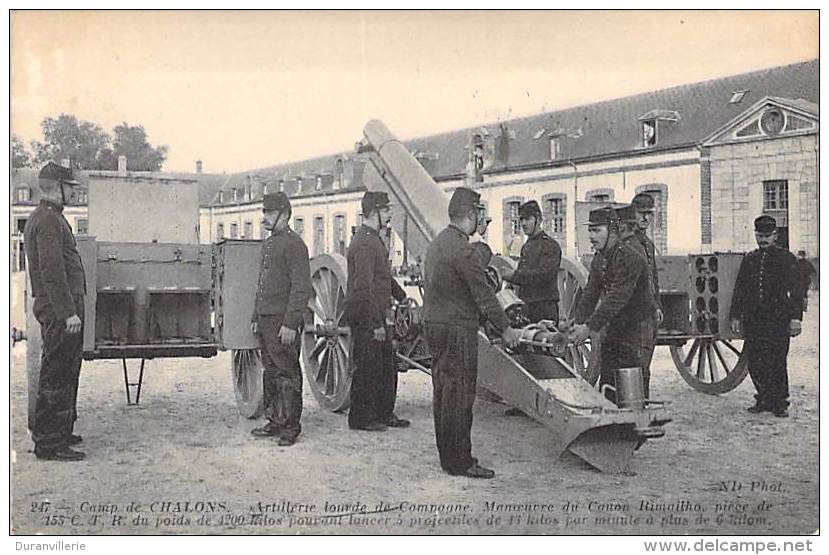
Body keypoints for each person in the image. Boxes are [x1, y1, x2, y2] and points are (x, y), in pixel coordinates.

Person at [423, 187, 522, 479]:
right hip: (457, 330)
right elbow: (483, 294)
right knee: (461, 394)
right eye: (479, 214)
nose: (481, 219)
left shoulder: (437, 243)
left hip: (434, 325)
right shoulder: (464, 249)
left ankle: (447, 457)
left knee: (443, 390)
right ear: (470, 215)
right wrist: (505, 329)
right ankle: (461, 461)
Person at [24, 162, 87, 461]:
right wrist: (67, 312)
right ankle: (50, 443)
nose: (74, 193)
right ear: (56, 187)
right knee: (57, 373)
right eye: (70, 187)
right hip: (60, 310)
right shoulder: (48, 221)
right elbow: (52, 272)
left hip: (62, 308)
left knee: (65, 370)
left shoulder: (50, 218)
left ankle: (59, 432)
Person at [571, 206, 655, 405]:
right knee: (609, 379)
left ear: (613, 231)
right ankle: (612, 425)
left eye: (597, 230)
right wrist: (577, 323)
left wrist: (589, 327)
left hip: (637, 328)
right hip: (615, 325)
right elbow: (590, 293)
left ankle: (636, 433)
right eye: (590, 230)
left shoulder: (631, 258)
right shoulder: (600, 258)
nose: (591, 236)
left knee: (633, 383)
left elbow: (617, 297)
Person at [343, 191, 410, 432]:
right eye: (386, 210)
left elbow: (383, 277)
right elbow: (363, 288)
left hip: (378, 312)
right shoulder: (363, 243)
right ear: (374, 212)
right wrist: (375, 324)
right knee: (368, 366)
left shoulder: (373, 240)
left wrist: (401, 296)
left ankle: (384, 413)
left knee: (386, 365)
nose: (389, 214)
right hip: (366, 315)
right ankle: (361, 418)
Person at [250, 192, 312, 446]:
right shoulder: (269, 244)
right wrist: (256, 314)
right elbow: (261, 284)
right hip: (266, 320)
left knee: (287, 372)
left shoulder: (295, 245)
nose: (264, 217)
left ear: (284, 215)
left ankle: (290, 426)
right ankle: (275, 419)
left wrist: (290, 323)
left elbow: (301, 287)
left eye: (269, 212)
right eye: (264, 212)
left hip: (282, 321)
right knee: (271, 371)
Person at [730, 216, 803, 418]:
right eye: (759, 235)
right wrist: (736, 316)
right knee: (755, 361)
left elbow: (797, 291)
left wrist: (795, 318)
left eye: (766, 236)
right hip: (754, 320)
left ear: (775, 236)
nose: (762, 240)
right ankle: (763, 399)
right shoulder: (750, 259)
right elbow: (740, 290)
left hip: (778, 320)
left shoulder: (786, 258)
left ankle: (779, 402)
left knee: (777, 360)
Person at [617, 202, 659, 397]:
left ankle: (642, 401)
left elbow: (652, 280)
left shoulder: (648, 244)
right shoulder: (627, 243)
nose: (645, 218)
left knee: (644, 362)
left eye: (649, 214)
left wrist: (655, 305)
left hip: (646, 310)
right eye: (641, 214)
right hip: (630, 311)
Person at [502, 200, 562, 323]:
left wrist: (513, 276)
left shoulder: (550, 246)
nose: (523, 223)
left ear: (539, 220)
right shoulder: (526, 246)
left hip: (544, 309)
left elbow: (544, 276)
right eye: (521, 219)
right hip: (527, 309)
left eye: (528, 219)